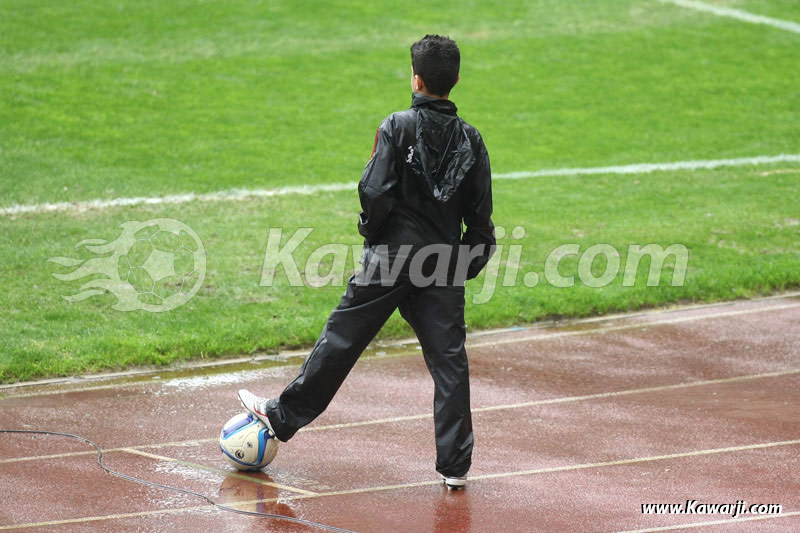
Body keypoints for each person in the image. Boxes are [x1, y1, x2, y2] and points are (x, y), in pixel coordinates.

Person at [238, 34, 495, 490]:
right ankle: (455, 466)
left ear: (415, 77)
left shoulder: (396, 126)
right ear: (455, 79)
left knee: (342, 339)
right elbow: (480, 217)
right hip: (443, 265)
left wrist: (372, 235)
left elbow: (374, 192)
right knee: (450, 363)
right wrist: (464, 266)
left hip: (390, 258)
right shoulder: (472, 139)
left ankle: (280, 418)